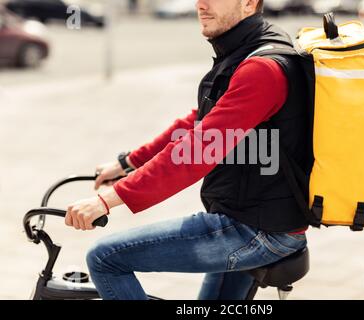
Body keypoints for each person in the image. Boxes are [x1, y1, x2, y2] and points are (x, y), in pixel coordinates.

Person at [64, 0, 310, 300]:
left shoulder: (262, 69)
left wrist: (107, 201)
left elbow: (195, 152)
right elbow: (199, 121)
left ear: (248, 3)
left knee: (105, 258)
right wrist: (128, 162)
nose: (201, 5)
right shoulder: (250, 48)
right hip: (250, 216)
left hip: (258, 231)